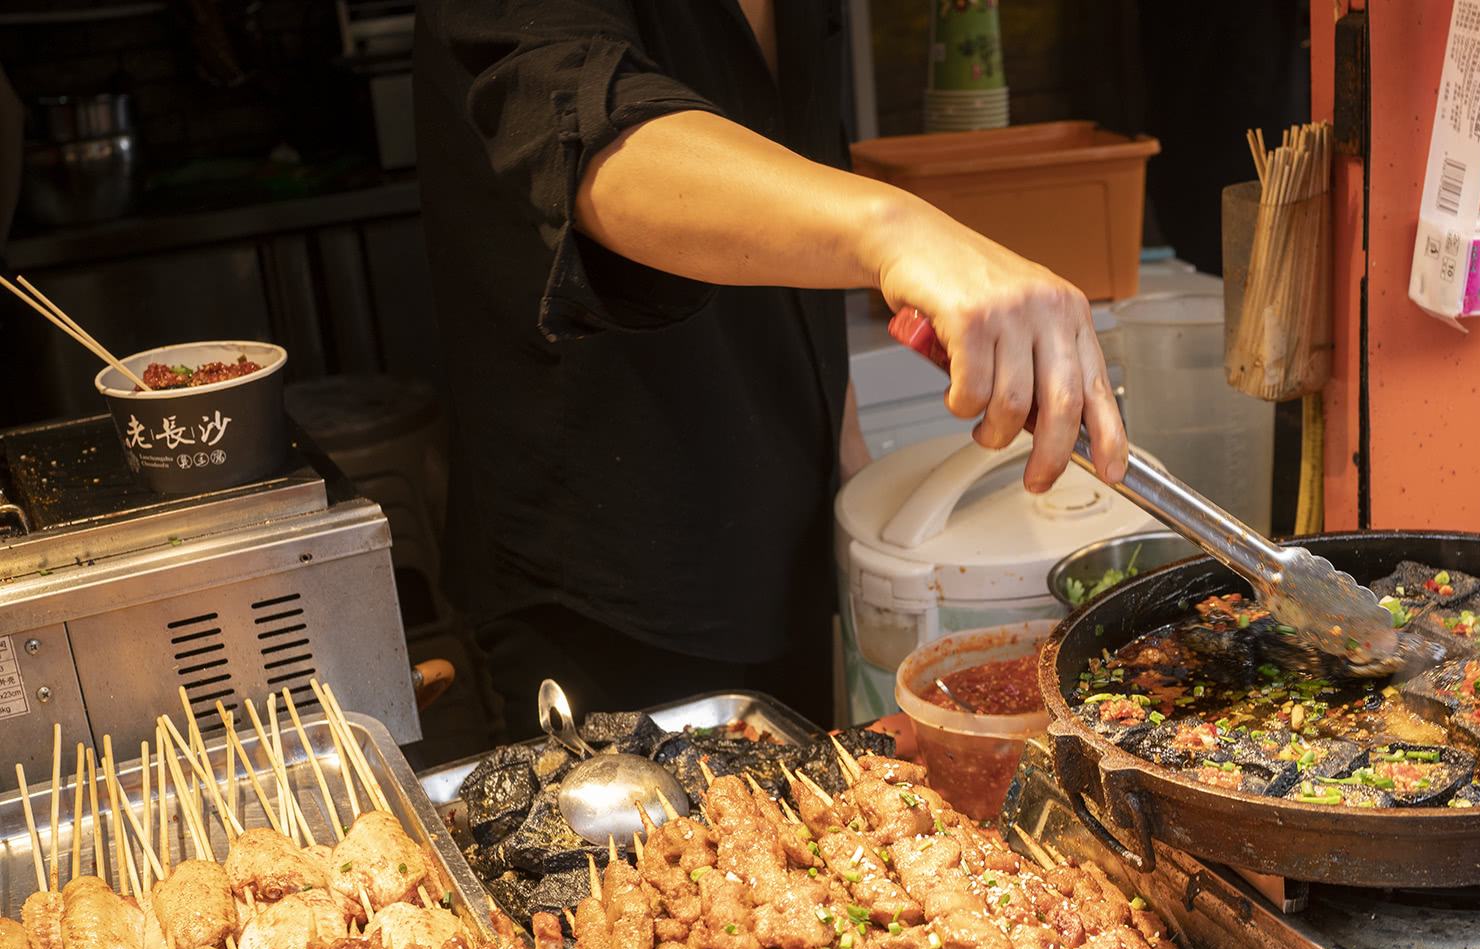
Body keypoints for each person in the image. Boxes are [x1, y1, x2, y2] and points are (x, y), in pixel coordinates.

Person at [412, 0, 1128, 735]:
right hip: (603, 578)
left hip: (792, 547)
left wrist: (855, 477)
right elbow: (589, 134)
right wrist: (902, 232)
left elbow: (798, 176)